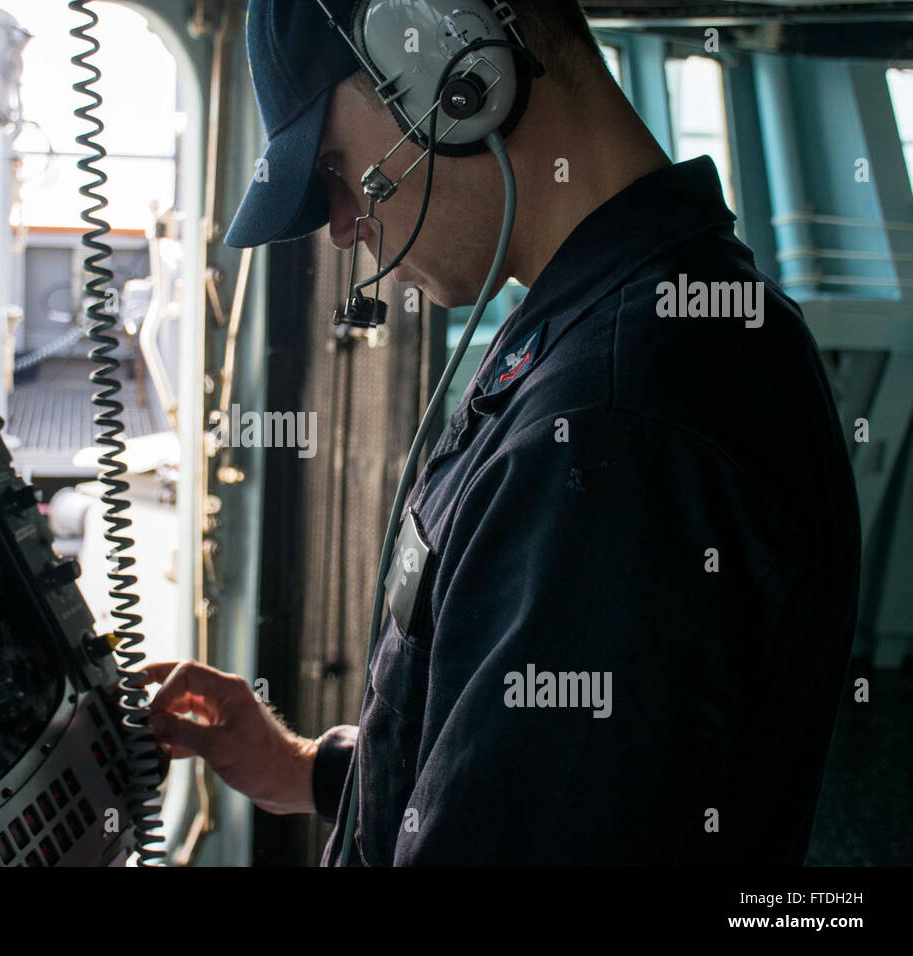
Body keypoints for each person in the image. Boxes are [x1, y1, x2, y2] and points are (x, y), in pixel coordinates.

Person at [144, 0, 861, 865]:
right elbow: (539, 776)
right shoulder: (601, 331)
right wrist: (308, 771)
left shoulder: (615, 426)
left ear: (456, 69)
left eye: (334, 166)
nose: (341, 225)